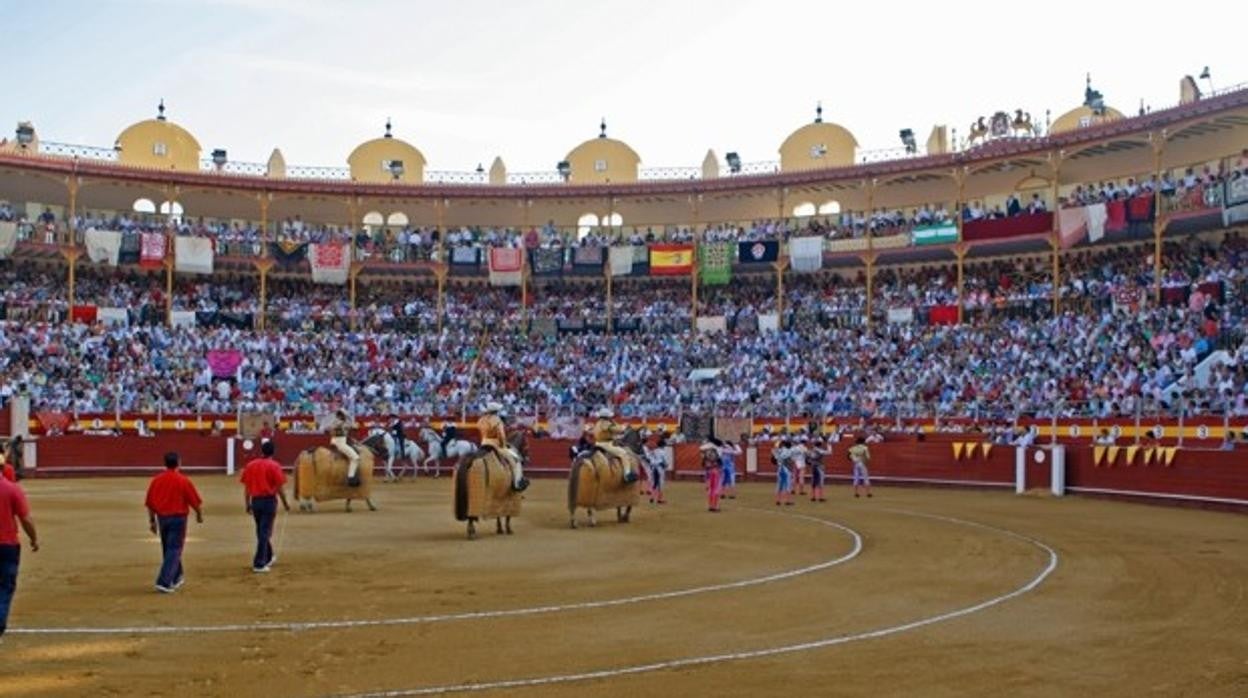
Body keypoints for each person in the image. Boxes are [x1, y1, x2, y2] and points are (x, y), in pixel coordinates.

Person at [144, 452, 204, 593]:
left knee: (168, 548)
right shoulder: (183, 480)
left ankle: (176, 576)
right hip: (178, 519)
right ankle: (164, 581)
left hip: (162, 519)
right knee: (174, 549)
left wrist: (152, 521)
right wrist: (199, 515)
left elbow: (150, 503)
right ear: (179, 463)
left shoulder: (156, 480)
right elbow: (194, 501)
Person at [239, 441, 290, 573]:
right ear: (273, 452)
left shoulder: (250, 465)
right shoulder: (274, 466)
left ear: (262, 451)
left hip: (256, 501)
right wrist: (285, 503)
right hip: (268, 502)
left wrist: (247, 504)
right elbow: (279, 488)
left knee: (261, 531)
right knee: (264, 532)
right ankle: (259, 563)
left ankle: (268, 556)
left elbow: (247, 488)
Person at [0, 468, 37, 638]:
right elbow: (26, 519)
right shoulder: (12, 489)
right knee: (5, 587)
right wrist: (34, 539)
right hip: (7, 546)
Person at [476, 402, 527, 491]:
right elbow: (501, 436)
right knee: (516, 460)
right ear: (496, 411)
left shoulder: (481, 420)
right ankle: (517, 484)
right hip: (495, 445)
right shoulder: (497, 420)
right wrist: (504, 446)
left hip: (483, 444)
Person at [589, 408, 638, 482]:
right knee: (623, 453)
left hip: (598, 443)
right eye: (609, 416)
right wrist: (623, 427)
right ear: (607, 416)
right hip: (606, 445)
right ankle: (627, 475)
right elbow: (618, 430)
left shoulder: (598, 423)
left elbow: (608, 433)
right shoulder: (606, 423)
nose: (611, 417)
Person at [328, 409, 361, 487]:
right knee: (355, 458)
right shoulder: (340, 422)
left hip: (337, 441)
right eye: (344, 415)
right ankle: (350, 477)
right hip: (340, 443)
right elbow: (355, 427)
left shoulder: (338, 422)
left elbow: (354, 427)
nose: (344, 416)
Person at [643, 433, 668, 504]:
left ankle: (652, 497)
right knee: (661, 484)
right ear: (663, 445)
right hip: (660, 468)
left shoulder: (652, 451)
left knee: (654, 483)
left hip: (653, 468)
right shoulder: (662, 452)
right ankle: (659, 499)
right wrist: (666, 465)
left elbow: (649, 459)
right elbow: (665, 462)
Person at [701, 442, 723, 512]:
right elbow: (720, 463)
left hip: (708, 472)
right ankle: (715, 506)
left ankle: (710, 506)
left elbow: (703, 464)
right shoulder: (716, 453)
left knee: (710, 489)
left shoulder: (705, 453)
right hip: (715, 472)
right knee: (716, 489)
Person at [809, 435, 831, 502]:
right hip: (819, 467)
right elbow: (829, 452)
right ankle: (821, 497)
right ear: (820, 445)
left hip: (813, 467)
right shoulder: (819, 450)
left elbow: (809, 458)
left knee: (814, 482)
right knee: (820, 482)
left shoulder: (812, 450)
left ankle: (813, 496)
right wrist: (828, 444)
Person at [773, 439, 794, 506]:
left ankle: (778, 501)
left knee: (779, 485)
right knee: (788, 485)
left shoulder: (778, 450)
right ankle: (788, 501)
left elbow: (774, 456)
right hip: (786, 469)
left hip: (779, 469)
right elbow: (789, 460)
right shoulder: (788, 451)